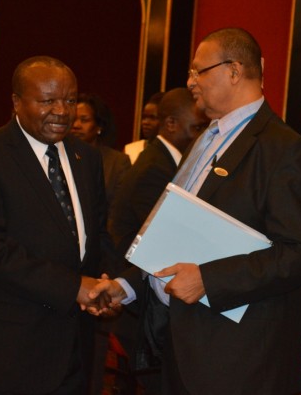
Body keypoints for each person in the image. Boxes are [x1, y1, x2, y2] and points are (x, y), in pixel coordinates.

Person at [90, 27, 301, 395]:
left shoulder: (285, 149)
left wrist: (208, 280)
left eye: (199, 71)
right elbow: (175, 235)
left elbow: (299, 255)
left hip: (237, 360)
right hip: (181, 346)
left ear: (234, 70)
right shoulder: (205, 139)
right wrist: (127, 286)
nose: (190, 82)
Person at [0, 56, 115, 394]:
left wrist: (112, 284)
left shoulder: (87, 158)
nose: (62, 110)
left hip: (74, 348)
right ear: (16, 102)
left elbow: (96, 234)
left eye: (69, 100)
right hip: (7, 350)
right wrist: (74, 287)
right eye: (47, 100)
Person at [104, 87, 209, 394]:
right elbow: (164, 241)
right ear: (172, 124)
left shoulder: (168, 162)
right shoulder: (155, 168)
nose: (201, 135)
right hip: (139, 304)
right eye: (196, 127)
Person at [70, 93, 131, 211]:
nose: (76, 125)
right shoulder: (59, 156)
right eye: (73, 119)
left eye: (84, 120)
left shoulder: (117, 163)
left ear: (99, 126)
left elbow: (120, 210)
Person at [124, 92, 165, 164]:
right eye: (144, 117)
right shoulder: (130, 150)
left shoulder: (170, 152)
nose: (145, 122)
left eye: (152, 118)